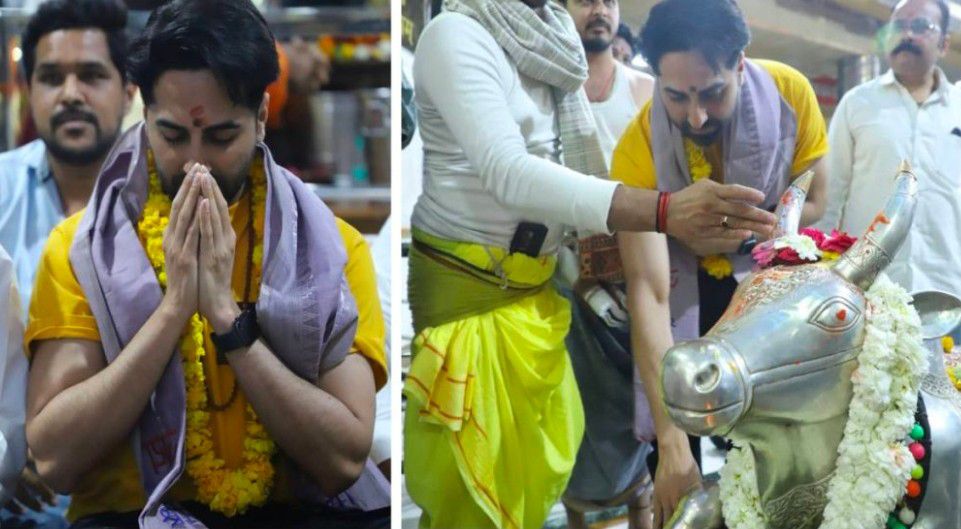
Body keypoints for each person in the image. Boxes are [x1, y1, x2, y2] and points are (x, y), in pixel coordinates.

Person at [403, 0, 777, 527]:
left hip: (541, 287)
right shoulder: (456, 35)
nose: (696, 114)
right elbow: (508, 172)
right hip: (473, 288)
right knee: (476, 493)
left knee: (531, 481)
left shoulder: (554, 38)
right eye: (678, 95)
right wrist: (665, 210)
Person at [24, 1, 389, 527]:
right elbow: (55, 460)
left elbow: (344, 461)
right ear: (144, 114)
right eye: (173, 136)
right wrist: (174, 309)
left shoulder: (332, 249)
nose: (196, 162)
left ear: (261, 117)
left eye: (221, 137)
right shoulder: (79, 250)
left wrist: (226, 320)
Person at [610, 0, 829, 525]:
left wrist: (739, 225)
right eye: (676, 96)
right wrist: (673, 447)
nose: (696, 116)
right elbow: (649, 292)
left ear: (740, 64)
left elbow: (817, 202)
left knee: (777, 464)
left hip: (769, 292)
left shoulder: (790, 94)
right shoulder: (637, 146)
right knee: (676, 472)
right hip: (683, 300)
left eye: (712, 92)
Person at [0, 1, 136, 526]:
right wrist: (7, 453)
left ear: (129, 91)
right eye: (52, 77)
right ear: (28, 89)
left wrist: (64, 446)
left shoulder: (165, 201)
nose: (71, 94)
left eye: (92, 75)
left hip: (135, 496)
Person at [557, 1, 654, 528]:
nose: (599, 10)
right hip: (566, 283)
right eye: (584, 1)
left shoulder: (645, 91)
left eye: (608, 1)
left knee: (640, 412)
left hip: (640, 283)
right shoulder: (546, 90)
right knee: (576, 413)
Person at [819, 0, 961, 299]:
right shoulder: (858, 103)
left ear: (944, 44)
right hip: (867, 286)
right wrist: (819, 270)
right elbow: (830, 196)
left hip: (948, 286)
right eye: (898, 26)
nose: (906, 34)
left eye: (921, 26)